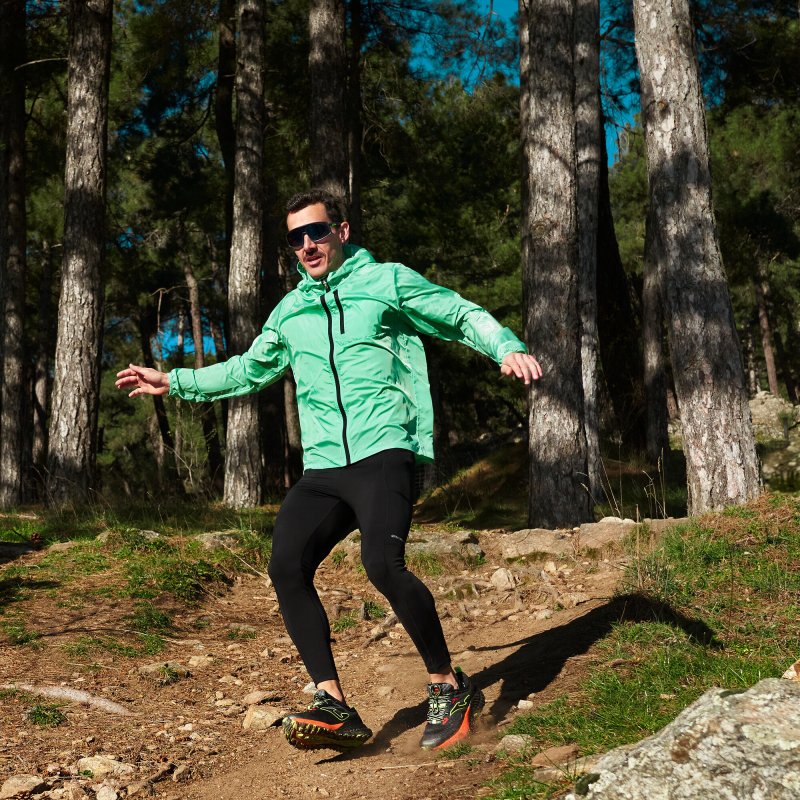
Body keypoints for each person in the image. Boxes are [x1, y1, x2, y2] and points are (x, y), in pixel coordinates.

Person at [116, 189, 542, 753]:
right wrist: (175, 381)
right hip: (323, 466)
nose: (307, 245)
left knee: (381, 564)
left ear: (341, 231)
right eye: (296, 238)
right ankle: (333, 703)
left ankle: (448, 685)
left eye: (316, 232)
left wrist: (504, 346)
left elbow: (459, 314)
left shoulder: (386, 281)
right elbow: (247, 370)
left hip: (384, 448)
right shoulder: (290, 311)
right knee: (286, 565)